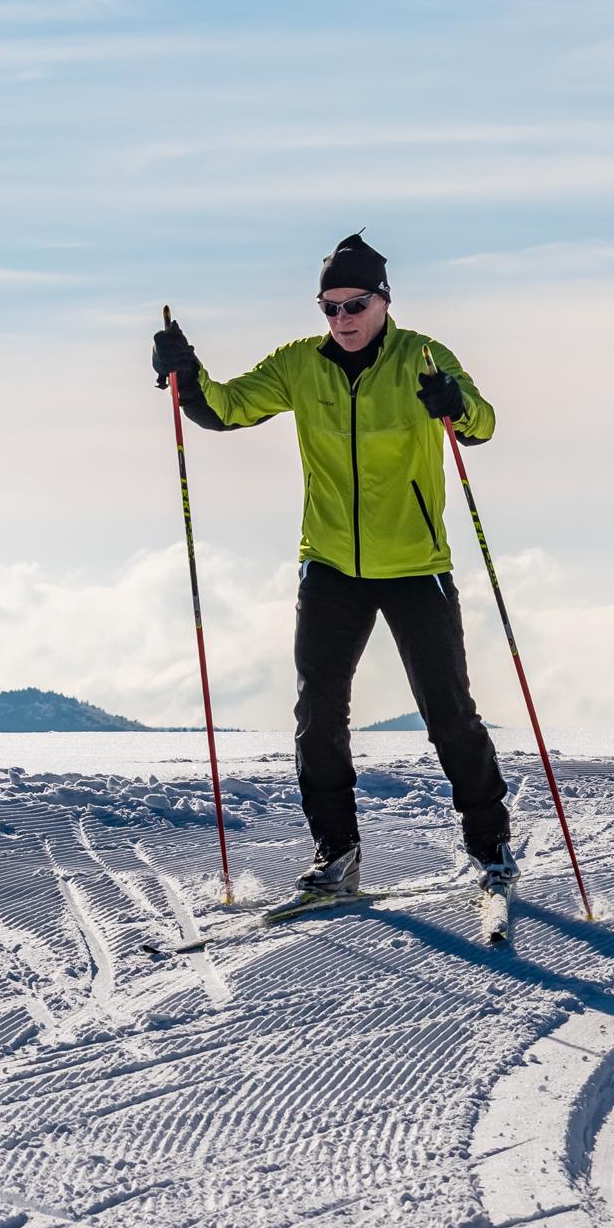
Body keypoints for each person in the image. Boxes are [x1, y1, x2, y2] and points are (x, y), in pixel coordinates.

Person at [149, 232, 518, 899]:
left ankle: (490, 845)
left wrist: (453, 403)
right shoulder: (300, 363)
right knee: (318, 715)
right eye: (329, 307)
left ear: (384, 301)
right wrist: (187, 373)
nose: (342, 319)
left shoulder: (422, 357)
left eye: (355, 304)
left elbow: (482, 424)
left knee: (449, 714)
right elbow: (225, 409)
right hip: (328, 566)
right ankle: (336, 851)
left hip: (415, 566)